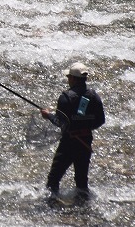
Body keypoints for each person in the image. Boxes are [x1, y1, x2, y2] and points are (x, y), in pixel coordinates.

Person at [41, 62, 105, 201]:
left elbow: (60, 122)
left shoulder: (65, 97)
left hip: (68, 144)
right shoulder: (94, 96)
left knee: (53, 179)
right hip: (85, 142)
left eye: (69, 77)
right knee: (81, 180)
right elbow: (100, 120)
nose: (68, 79)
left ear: (74, 79)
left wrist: (48, 115)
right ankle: (84, 209)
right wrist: (85, 126)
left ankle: (51, 205)